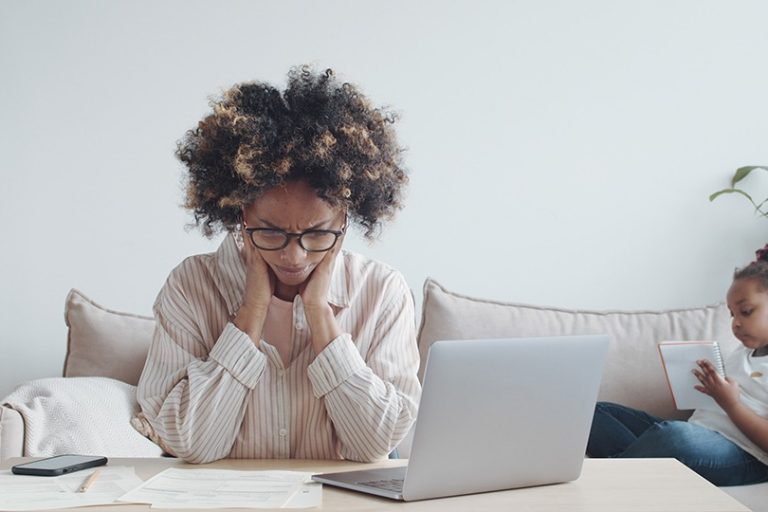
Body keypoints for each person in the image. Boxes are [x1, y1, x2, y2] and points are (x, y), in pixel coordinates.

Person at [135, 66, 421, 464]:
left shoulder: (382, 292)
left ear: (345, 220)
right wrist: (251, 312)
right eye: (270, 232)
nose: (294, 256)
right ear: (241, 214)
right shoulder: (191, 286)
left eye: (317, 234)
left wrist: (321, 316)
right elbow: (190, 443)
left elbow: (375, 445)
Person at [586, 248, 768, 485]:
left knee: (674, 436)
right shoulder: (743, 351)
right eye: (732, 314)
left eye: (746, 311)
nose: (736, 323)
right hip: (699, 433)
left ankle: (609, 482)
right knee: (594, 412)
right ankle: (632, 469)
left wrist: (730, 403)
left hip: (746, 455)